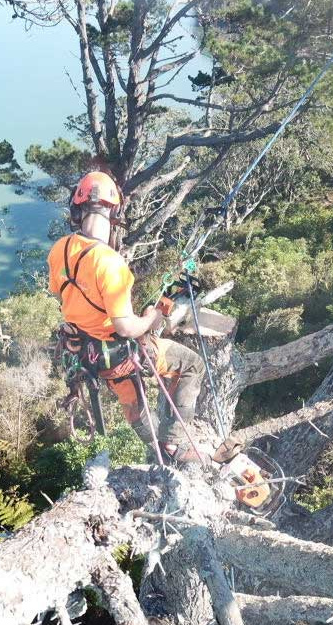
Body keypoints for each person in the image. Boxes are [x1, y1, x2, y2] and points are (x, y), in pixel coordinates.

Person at [47, 171, 206, 462]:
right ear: (113, 210)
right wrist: (152, 317)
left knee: (134, 403)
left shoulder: (61, 248)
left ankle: (159, 452)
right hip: (119, 347)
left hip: (90, 352)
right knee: (192, 364)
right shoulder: (110, 262)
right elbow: (126, 326)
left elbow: (61, 294)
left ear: (79, 208)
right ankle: (172, 443)